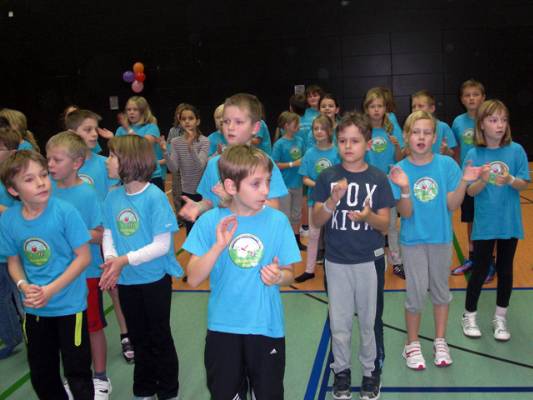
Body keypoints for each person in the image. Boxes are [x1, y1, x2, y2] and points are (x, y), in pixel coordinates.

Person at [182, 144, 301, 400]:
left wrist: (279, 276)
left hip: (266, 327)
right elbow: (193, 278)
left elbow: (290, 273)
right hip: (223, 328)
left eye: (267, 181)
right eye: (256, 184)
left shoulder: (278, 221)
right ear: (231, 186)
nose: (266, 190)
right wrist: (218, 246)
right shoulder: (210, 221)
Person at [388, 110, 479, 371]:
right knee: (415, 295)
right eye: (416, 132)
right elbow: (405, 213)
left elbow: (452, 204)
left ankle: (440, 341)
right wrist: (405, 188)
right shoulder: (399, 170)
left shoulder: (447, 165)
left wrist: (464, 182)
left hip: (441, 239)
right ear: (407, 136)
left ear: (435, 137)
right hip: (413, 241)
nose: (421, 137)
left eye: (427, 132)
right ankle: (412, 343)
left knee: (441, 292)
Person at [313, 112, 394, 400]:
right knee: (340, 323)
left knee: (369, 321)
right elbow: (316, 220)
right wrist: (332, 200)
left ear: (368, 144)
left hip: (369, 261)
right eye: (343, 140)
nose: (348, 146)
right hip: (336, 262)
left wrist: (368, 216)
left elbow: (385, 225)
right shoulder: (327, 177)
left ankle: (371, 371)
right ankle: (342, 371)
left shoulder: (378, 178)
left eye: (355, 141)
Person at [0, 150, 93, 399]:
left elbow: (84, 257)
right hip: (35, 310)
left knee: (78, 373)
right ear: (13, 190)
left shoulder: (65, 212)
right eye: (29, 179)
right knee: (42, 375)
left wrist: (50, 290)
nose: (41, 182)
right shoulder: (9, 220)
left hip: (69, 307)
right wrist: (23, 285)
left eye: (43, 175)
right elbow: (13, 261)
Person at [99, 135, 182, 400]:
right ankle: (144, 388)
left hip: (154, 281)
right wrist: (111, 259)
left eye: (112, 156)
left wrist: (123, 260)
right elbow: (108, 233)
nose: (107, 161)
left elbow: (161, 245)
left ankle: (168, 391)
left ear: (129, 161)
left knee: (159, 337)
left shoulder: (154, 197)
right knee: (138, 337)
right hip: (127, 282)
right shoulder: (112, 197)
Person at [65, 109, 134, 364]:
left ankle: (126, 334)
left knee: (115, 289)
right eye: (87, 130)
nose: (94, 134)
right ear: (71, 134)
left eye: (95, 129)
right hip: (78, 244)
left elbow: (115, 197)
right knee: (84, 294)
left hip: (104, 238)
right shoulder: (63, 169)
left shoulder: (103, 163)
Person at [46, 131, 112, 398]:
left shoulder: (86, 194)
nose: (50, 165)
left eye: (57, 160)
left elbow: (100, 234)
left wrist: (70, 232)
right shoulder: (46, 191)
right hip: (55, 274)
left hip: (87, 273)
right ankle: (74, 377)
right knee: (65, 330)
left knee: (92, 326)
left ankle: (100, 377)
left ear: (76, 163)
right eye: (48, 159)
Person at [461, 100, 530, 341]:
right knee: (479, 270)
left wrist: (510, 180)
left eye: (503, 120)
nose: (500, 125)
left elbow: (524, 183)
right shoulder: (474, 154)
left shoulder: (516, 150)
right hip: (485, 224)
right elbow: (470, 192)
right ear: (482, 124)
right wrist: (482, 179)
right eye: (493, 120)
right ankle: (469, 314)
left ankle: (500, 317)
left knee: (505, 269)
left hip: (509, 222)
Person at [178, 93, 288, 223]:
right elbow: (209, 201)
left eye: (238, 122)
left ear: (255, 127)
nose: (230, 127)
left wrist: (233, 199)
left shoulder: (264, 163)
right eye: (226, 121)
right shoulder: (214, 164)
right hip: (222, 233)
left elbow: (273, 207)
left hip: (253, 232)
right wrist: (199, 206)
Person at [363, 88, 405, 279]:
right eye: (372, 106)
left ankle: (397, 262)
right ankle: (377, 259)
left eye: (380, 106)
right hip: (369, 186)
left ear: (385, 108)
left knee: (392, 226)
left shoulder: (391, 128)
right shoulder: (364, 130)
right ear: (367, 109)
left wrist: (396, 145)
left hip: (390, 186)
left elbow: (400, 158)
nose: (376, 110)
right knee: (374, 225)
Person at [295, 115, 340, 283]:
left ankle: (333, 269)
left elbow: (342, 176)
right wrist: (318, 185)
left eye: (322, 128)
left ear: (330, 131)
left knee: (333, 236)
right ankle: (309, 270)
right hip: (315, 201)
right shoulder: (309, 153)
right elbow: (305, 178)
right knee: (314, 236)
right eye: (316, 129)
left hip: (334, 202)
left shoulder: (337, 152)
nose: (319, 132)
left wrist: (333, 187)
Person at [450, 80, 487, 276]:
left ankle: (488, 261)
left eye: (475, 94)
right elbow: (456, 151)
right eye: (467, 95)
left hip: (487, 181)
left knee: (487, 220)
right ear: (462, 99)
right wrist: (459, 177)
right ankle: (473, 258)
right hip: (468, 181)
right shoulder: (458, 122)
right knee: (471, 220)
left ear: (483, 97)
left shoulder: (489, 119)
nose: (471, 98)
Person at [161, 104, 209, 234]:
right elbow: (173, 168)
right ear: (180, 122)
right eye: (183, 119)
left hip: (203, 193)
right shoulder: (176, 142)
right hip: (186, 194)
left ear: (197, 121)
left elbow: (200, 166)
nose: (187, 121)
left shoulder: (204, 141)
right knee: (190, 231)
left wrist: (190, 147)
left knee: (204, 230)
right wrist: (165, 152)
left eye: (191, 118)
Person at [0, 127, 23, 360]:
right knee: (1, 298)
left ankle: (34, 337)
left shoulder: (17, 179)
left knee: (22, 297)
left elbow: (23, 214)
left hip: (15, 253)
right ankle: (11, 337)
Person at [272, 111, 307, 250]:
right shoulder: (279, 144)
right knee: (285, 215)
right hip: (284, 185)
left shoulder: (300, 141)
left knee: (296, 214)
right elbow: (275, 164)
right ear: (286, 126)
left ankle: (296, 240)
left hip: (297, 183)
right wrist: (293, 164)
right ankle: (285, 243)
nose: (298, 126)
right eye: (295, 123)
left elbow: (304, 158)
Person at [115, 96, 165, 190]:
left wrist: (128, 129)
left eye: (135, 109)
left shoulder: (151, 127)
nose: (131, 112)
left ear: (143, 111)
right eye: (129, 109)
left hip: (151, 177)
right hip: (128, 177)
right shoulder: (120, 130)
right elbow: (117, 151)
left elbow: (142, 145)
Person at [411, 90, 457, 157]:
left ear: (432, 108)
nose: (416, 109)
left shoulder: (443, 127)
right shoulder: (410, 127)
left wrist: (446, 151)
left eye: (420, 106)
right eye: (413, 107)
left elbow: (452, 154)